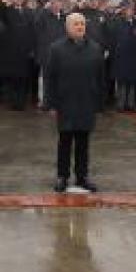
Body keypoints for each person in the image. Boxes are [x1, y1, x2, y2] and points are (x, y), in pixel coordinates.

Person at [43, 13, 106, 193]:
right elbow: (50, 78)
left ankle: (82, 176)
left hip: (87, 102)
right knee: (65, 141)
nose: (80, 27)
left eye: (82, 24)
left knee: (83, 143)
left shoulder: (95, 48)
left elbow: (101, 78)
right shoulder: (56, 49)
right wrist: (51, 104)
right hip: (65, 102)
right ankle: (62, 176)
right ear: (67, 27)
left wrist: (100, 103)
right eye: (76, 24)